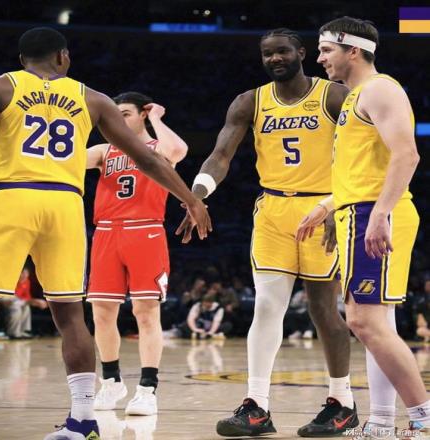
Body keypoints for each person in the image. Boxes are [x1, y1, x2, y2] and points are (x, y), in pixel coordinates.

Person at [0, 27, 210, 440]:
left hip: (12, 196)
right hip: (65, 204)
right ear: (63, 57)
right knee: (70, 315)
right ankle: (82, 422)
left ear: (22, 59)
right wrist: (191, 200)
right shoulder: (93, 98)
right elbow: (148, 159)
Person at [177, 28, 360, 437]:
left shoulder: (333, 95)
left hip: (322, 209)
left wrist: (337, 204)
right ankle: (256, 405)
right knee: (266, 306)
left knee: (323, 309)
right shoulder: (250, 101)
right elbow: (220, 155)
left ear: (301, 53)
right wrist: (197, 195)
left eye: (282, 52)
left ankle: (343, 402)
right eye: (267, 54)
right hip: (273, 211)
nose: (274, 59)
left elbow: (358, 156)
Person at [296, 16, 429, 438]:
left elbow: (407, 155)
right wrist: (328, 205)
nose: (319, 59)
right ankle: (383, 423)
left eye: (326, 50)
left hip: (373, 213)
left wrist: (378, 214)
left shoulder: (380, 89)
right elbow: (363, 171)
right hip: (359, 210)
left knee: (364, 321)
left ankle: (424, 417)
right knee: (375, 325)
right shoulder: (357, 97)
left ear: (353, 50)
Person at [86, 91, 188, 416]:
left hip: (146, 231)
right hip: (106, 233)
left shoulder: (157, 147)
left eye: (126, 113)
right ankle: (111, 382)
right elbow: (69, 158)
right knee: (102, 313)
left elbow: (177, 151)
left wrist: (157, 117)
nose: (119, 119)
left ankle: (147, 389)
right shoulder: (104, 150)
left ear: (143, 113)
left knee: (146, 313)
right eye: (115, 114)